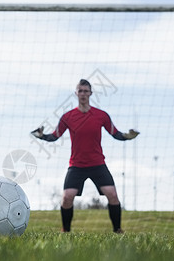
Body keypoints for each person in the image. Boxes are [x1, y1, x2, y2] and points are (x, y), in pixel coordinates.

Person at [31, 79, 139, 233]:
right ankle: (65, 231)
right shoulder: (67, 117)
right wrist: (41, 136)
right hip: (77, 166)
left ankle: (117, 230)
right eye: (80, 91)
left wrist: (128, 136)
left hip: (97, 164)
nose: (83, 94)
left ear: (90, 93)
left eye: (85, 91)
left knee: (112, 194)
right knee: (67, 197)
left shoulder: (101, 116)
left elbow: (116, 134)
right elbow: (54, 136)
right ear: (76, 93)